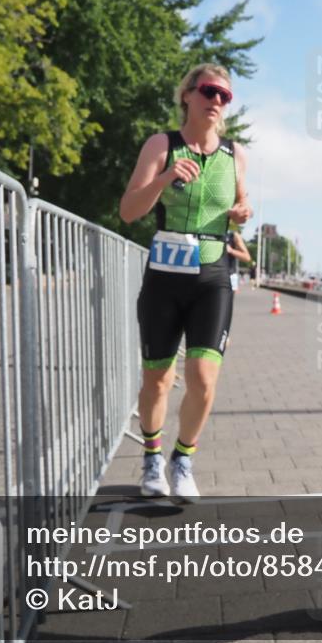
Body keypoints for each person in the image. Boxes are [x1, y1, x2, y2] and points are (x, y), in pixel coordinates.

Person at [119, 63, 251, 502]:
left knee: (203, 378)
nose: (217, 101)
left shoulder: (235, 154)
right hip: (164, 274)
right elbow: (129, 210)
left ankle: (183, 458)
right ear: (188, 96)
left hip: (213, 275)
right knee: (157, 378)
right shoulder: (163, 144)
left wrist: (243, 212)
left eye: (224, 96)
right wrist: (165, 177)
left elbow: (242, 202)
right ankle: (152, 455)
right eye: (210, 92)